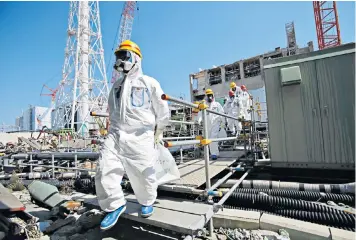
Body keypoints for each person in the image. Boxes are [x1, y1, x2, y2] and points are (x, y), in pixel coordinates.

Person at [95, 40, 170, 231]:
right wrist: (111, 131)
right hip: (116, 134)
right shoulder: (117, 86)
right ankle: (115, 205)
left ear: (136, 58)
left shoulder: (149, 83)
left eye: (125, 56)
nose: (121, 61)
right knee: (104, 168)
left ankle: (147, 201)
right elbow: (112, 110)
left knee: (144, 172)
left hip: (141, 135)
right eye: (119, 56)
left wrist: (158, 131)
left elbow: (162, 110)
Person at [198, 89, 224, 160]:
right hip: (207, 124)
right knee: (209, 139)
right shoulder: (204, 104)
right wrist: (199, 121)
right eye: (208, 95)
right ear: (206, 96)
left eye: (210, 95)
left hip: (215, 123)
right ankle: (215, 152)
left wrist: (223, 123)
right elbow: (200, 114)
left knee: (213, 137)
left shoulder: (217, 104)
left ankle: (214, 154)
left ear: (213, 95)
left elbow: (222, 113)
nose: (210, 97)